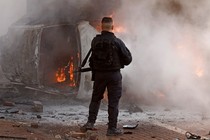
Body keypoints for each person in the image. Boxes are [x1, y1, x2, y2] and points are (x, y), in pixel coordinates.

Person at [81, 17, 132, 136]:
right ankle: (111, 129)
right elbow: (128, 59)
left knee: (96, 99)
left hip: (99, 75)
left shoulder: (95, 41)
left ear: (101, 26)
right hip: (114, 75)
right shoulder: (117, 42)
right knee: (113, 102)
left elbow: (92, 60)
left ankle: (90, 123)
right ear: (112, 27)